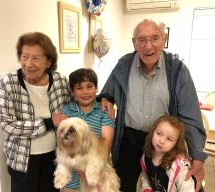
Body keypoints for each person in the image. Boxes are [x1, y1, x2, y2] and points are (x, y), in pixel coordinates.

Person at [100, 19, 207, 192]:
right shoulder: (123, 66)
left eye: (155, 38)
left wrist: (197, 157)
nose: (148, 46)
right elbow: (107, 94)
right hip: (129, 140)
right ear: (134, 43)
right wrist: (105, 98)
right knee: (123, 186)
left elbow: (191, 116)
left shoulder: (178, 70)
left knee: (165, 186)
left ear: (164, 39)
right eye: (141, 40)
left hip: (165, 143)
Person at [0, 32, 71, 192]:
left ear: (48, 61)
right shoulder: (8, 84)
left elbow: (73, 106)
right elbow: (7, 125)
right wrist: (48, 122)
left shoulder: (60, 81)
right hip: (22, 160)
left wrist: (104, 99)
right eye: (24, 57)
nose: (28, 64)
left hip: (54, 156)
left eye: (36, 58)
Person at [58, 68, 115, 192]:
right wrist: (79, 166)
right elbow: (64, 142)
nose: (85, 92)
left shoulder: (104, 110)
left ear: (96, 88)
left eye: (89, 86)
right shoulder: (67, 111)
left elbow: (106, 142)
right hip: (71, 182)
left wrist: (90, 167)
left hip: (96, 179)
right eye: (79, 88)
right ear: (72, 92)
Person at [139, 115, 195, 192]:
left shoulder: (179, 166)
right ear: (153, 132)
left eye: (169, 139)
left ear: (176, 143)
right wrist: (146, 188)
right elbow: (145, 175)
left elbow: (188, 189)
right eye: (159, 133)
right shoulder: (147, 155)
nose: (161, 141)